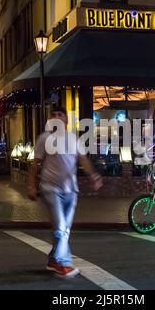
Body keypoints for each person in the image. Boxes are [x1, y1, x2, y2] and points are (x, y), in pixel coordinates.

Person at [27, 106, 102, 279]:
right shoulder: (44, 138)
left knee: (64, 230)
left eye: (60, 115)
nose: (56, 117)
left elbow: (83, 159)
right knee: (60, 227)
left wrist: (94, 176)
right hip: (50, 188)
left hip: (71, 190)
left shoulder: (73, 139)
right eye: (53, 115)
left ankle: (54, 259)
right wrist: (31, 186)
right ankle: (64, 263)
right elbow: (34, 164)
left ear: (66, 120)